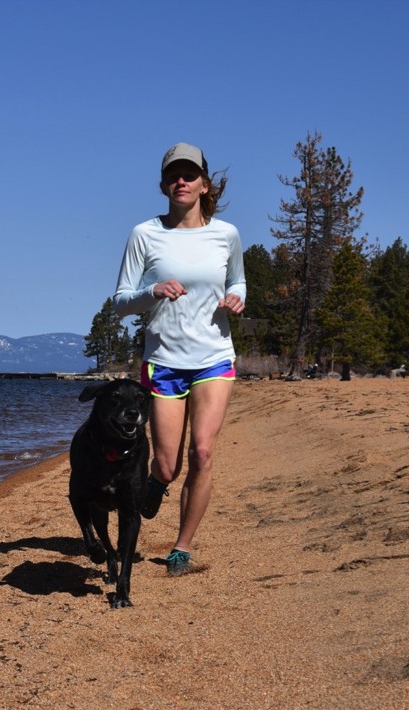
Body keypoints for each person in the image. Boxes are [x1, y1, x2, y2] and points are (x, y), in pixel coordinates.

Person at [112, 142, 246, 576]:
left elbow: (238, 281)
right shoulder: (145, 234)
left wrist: (236, 297)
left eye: (190, 175)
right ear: (163, 185)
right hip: (165, 361)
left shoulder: (226, 235)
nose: (181, 181)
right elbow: (120, 303)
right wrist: (152, 291)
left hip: (214, 357)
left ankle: (181, 548)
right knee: (168, 466)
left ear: (205, 184)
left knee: (202, 452)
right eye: (173, 176)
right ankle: (157, 482)